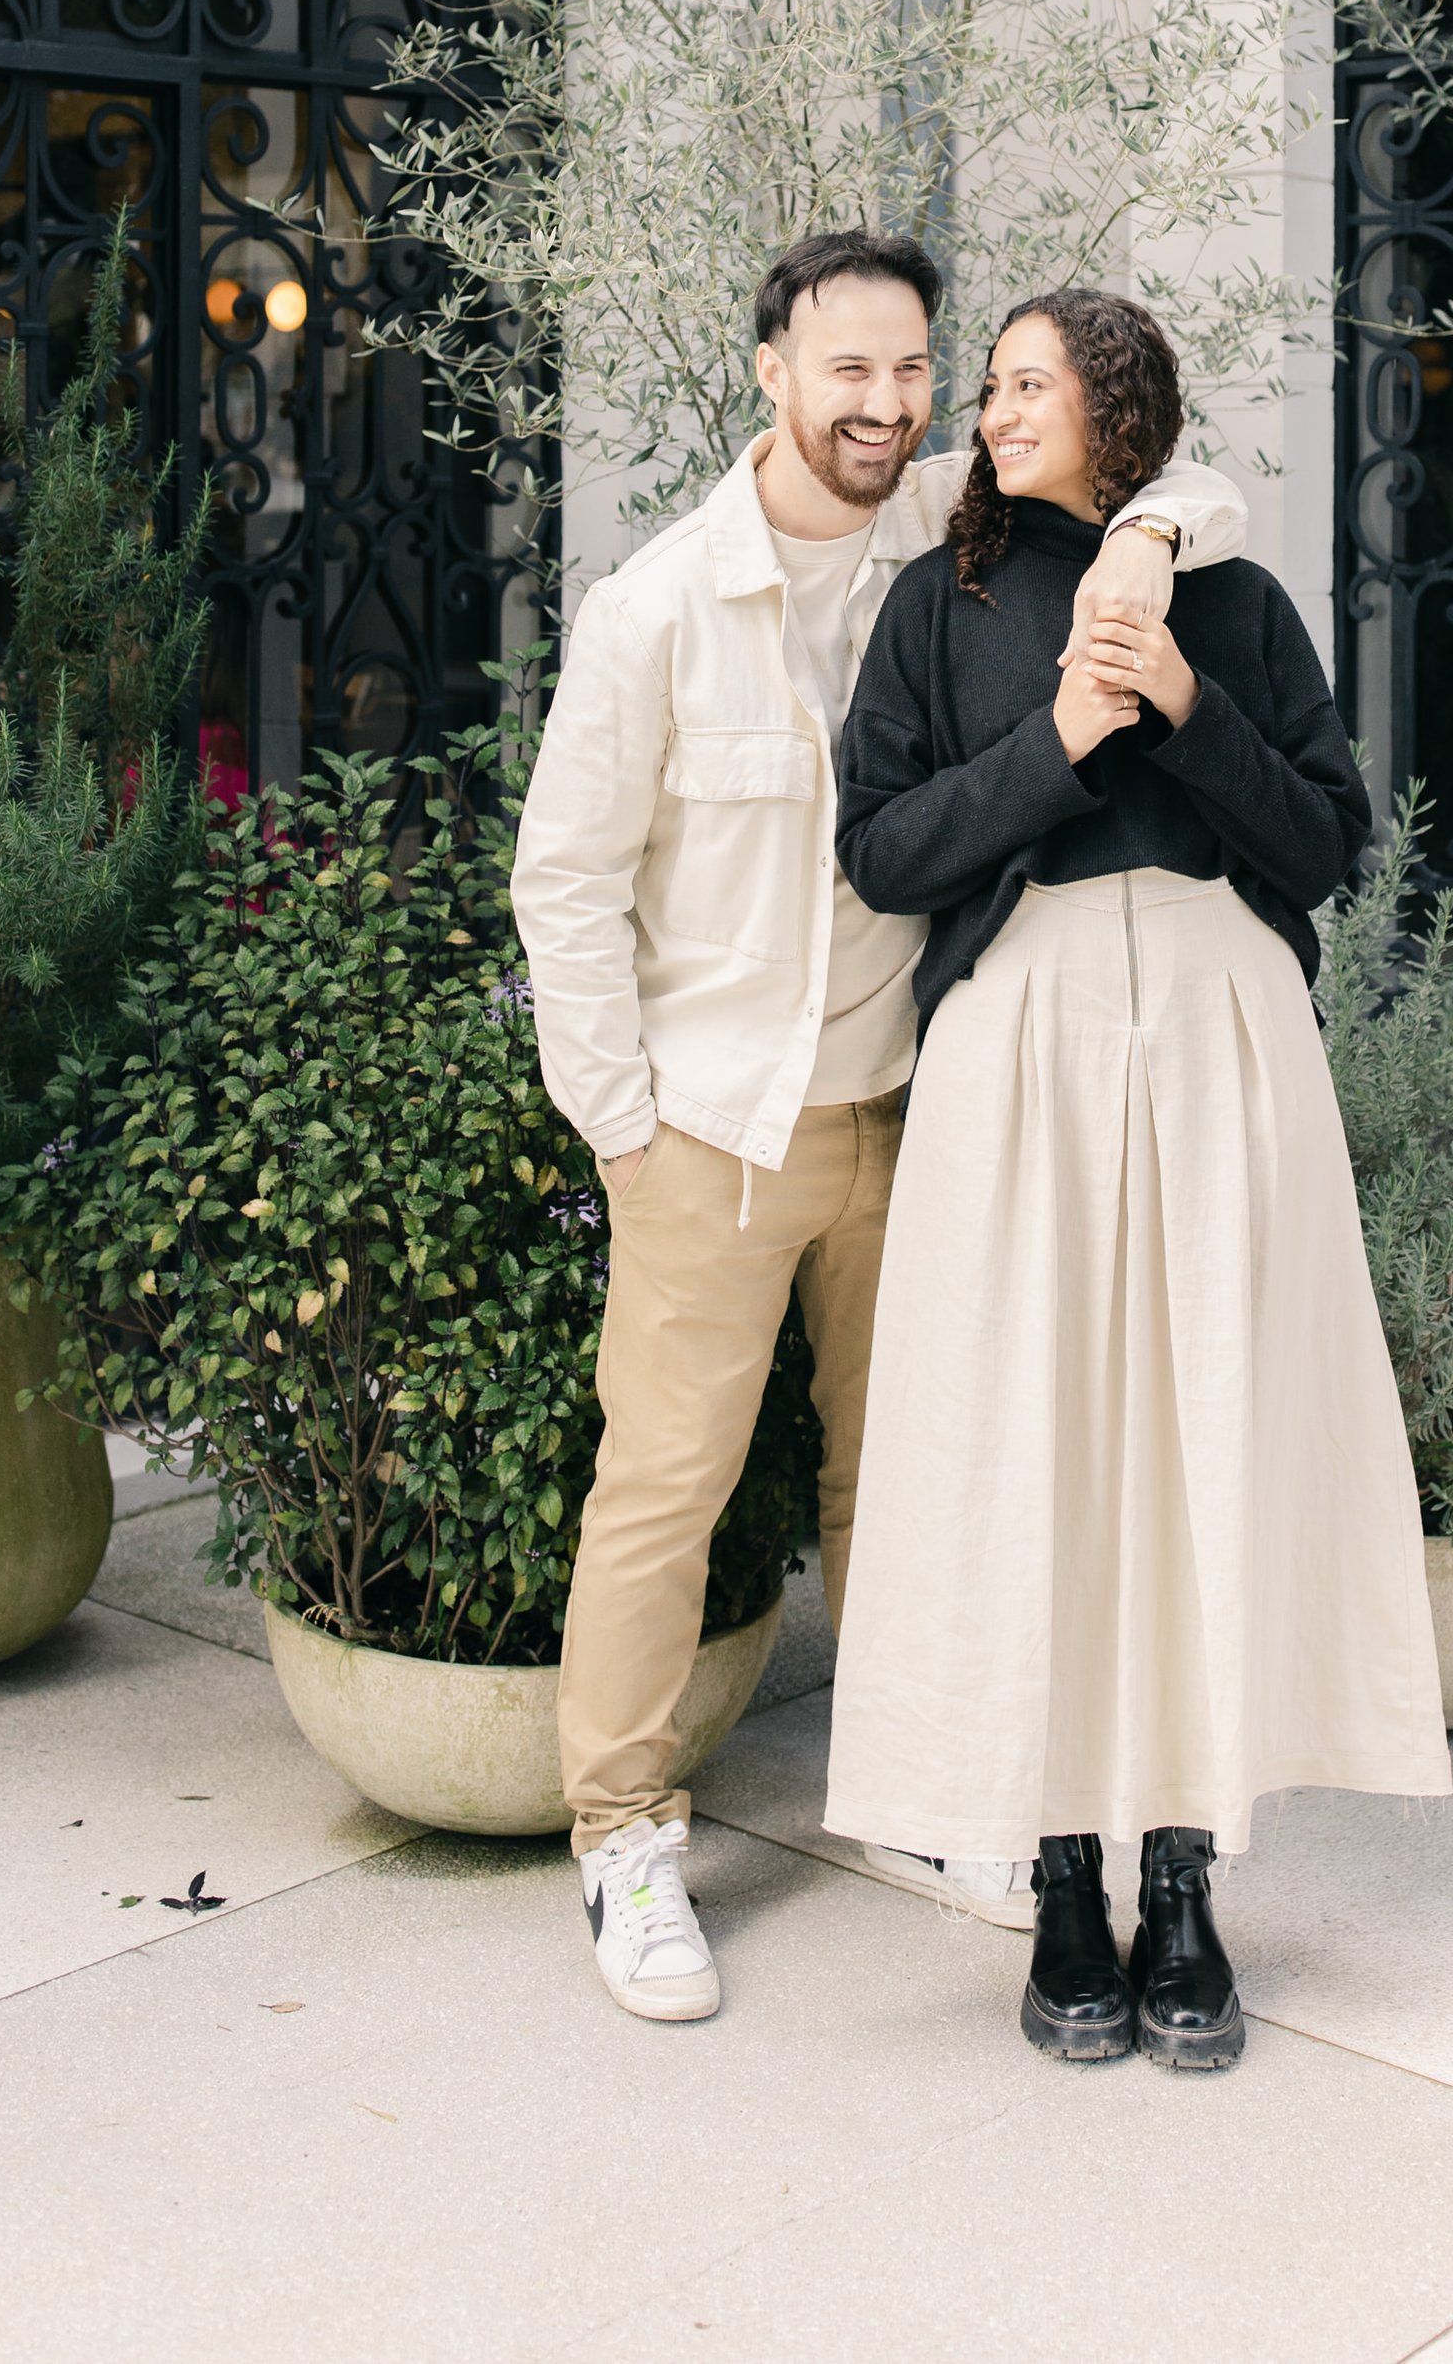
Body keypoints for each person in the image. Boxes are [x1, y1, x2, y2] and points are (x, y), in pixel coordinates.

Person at [510, 228, 1247, 2024]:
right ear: (772, 367)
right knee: (664, 1492)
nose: (889, 400)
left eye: (913, 367)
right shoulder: (659, 604)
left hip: (914, 1113)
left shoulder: (946, 529)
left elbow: (1180, 469)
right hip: (715, 1129)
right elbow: (566, 879)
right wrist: (624, 1129)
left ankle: (939, 1800)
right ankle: (622, 1836)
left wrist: (1146, 532)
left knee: (911, 1478)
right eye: (851, 367)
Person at [823, 287, 1449, 2073]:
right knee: (1046, 1449)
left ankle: (1187, 1877)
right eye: (995, 386)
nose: (992, 410)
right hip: (1016, 1053)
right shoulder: (934, 604)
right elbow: (882, 852)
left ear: (1114, 404)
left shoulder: (1234, 600)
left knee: (1202, 1443)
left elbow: (1324, 843)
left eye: (1027, 384)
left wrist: (1179, 705)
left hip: (1217, 1039)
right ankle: (1065, 1885)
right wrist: (1062, 750)